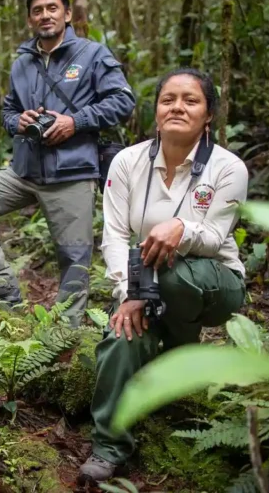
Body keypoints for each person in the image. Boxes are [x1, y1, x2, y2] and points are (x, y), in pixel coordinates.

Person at [77, 68, 249, 483]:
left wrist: (181, 229)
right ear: (155, 110)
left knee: (170, 270)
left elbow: (213, 237)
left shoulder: (228, 168)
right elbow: (115, 235)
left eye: (190, 100)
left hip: (215, 283)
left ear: (208, 115)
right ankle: (109, 444)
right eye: (168, 99)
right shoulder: (127, 161)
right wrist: (126, 293)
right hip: (147, 284)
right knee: (121, 337)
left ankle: (181, 335)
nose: (177, 107)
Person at [0, 0, 135, 325]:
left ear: (67, 15)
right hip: (25, 171)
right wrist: (17, 122)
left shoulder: (93, 54)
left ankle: (64, 335)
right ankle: (0, 284)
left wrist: (75, 121)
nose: (45, 15)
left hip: (72, 173)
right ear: (30, 19)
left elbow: (123, 101)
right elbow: (8, 111)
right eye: (37, 10)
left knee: (74, 259)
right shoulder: (22, 63)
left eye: (52, 8)